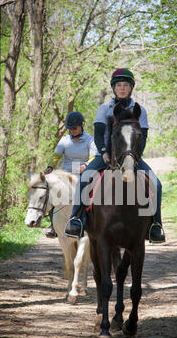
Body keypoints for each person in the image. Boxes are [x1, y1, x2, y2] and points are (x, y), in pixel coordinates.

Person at [64, 68, 166, 243]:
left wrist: (134, 158)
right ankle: (76, 219)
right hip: (105, 156)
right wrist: (104, 152)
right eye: (119, 85)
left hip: (131, 156)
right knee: (84, 178)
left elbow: (143, 138)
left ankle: (155, 225)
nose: (122, 88)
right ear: (114, 88)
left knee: (156, 184)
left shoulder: (139, 110)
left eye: (126, 85)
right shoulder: (105, 108)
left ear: (131, 88)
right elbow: (98, 134)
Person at [45, 111, 98, 238]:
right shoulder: (64, 141)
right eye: (70, 128)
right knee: (52, 191)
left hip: (83, 174)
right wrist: (50, 166)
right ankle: (53, 226)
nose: (72, 131)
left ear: (81, 126)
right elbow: (56, 156)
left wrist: (85, 166)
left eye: (75, 128)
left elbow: (93, 157)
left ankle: (90, 222)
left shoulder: (90, 141)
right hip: (65, 174)